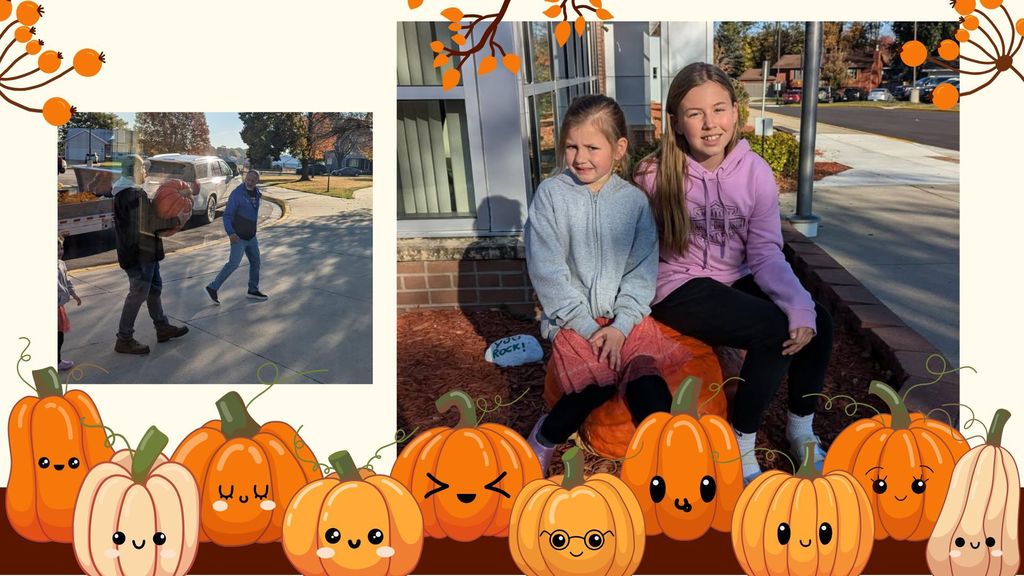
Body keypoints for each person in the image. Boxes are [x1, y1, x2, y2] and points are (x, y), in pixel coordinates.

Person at [634, 62, 833, 483]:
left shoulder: (754, 171)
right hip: (678, 285)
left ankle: (801, 430)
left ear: (735, 113)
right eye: (695, 113)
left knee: (819, 321)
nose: (710, 124)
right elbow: (633, 250)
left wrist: (799, 305)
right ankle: (741, 444)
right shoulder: (653, 176)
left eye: (719, 109)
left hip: (735, 274)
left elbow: (763, 252)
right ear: (676, 123)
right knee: (772, 329)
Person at [523, 94, 686, 472]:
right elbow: (547, 271)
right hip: (573, 320)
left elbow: (642, 271)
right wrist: (585, 326)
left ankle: (665, 454)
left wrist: (622, 325)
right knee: (593, 385)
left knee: (645, 376)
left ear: (618, 149)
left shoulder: (633, 203)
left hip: (625, 320)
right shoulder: (550, 197)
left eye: (592, 147)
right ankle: (543, 439)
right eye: (571, 146)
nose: (580, 157)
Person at [112, 154, 190, 355]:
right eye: (144, 169)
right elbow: (149, 224)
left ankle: (162, 327)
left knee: (154, 290)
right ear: (136, 172)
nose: (146, 172)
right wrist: (177, 219)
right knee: (138, 295)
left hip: (147, 255)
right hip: (139, 257)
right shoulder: (132, 195)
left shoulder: (130, 193)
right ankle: (124, 338)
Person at [205, 170, 268, 304]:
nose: (250, 181)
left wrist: (253, 231)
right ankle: (212, 287)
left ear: (257, 181)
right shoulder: (237, 194)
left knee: (256, 262)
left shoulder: (256, 193)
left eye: (253, 180)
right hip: (238, 237)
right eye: (248, 179)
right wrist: (231, 233)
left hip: (251, 236)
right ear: (245, 178)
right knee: (233, 264)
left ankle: (253, 290)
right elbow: (227, 216)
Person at [58, 235, 81, 371]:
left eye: (61, 248)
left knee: (59, 335)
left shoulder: (61, 264)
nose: (60, 251)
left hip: (58, 307)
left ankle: (57, 360)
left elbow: (67, 281)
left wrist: (74, 294)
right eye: (56, 249)